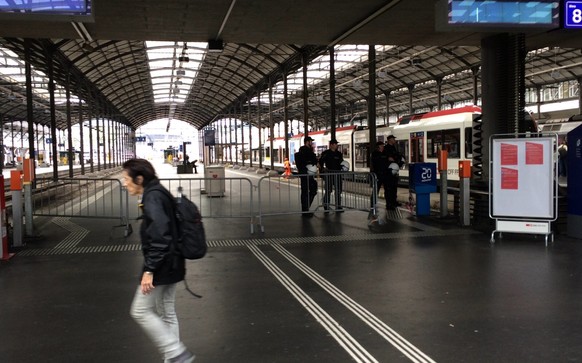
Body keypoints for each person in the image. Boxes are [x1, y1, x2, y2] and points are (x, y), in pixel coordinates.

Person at [122, 158, 195, 363]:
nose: (124, 183)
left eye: (126, 179)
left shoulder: (153, 197)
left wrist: (149, 270)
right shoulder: (157, 192)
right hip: (173, 262)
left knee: (139, 310)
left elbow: (161, 236)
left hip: (162, 265)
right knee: (167, 312)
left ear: (139, 178)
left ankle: (176, 352)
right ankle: (174, 358)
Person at [294, 136, 318, 217]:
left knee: (307, 191)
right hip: (307, 174)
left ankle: (305, 209)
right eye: (311, 141)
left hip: (306, 174)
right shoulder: (306, 152)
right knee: (309, 190)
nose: (312, 143)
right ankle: (305, 210)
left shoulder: (304, 152)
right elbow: (311, 161)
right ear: (307, 142)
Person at [318, 138, 344, 212]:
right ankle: (326, 205)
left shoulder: (339, 154)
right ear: (331, 145)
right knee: (328, 190)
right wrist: (322, 172)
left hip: (338, 174)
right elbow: (320, 163)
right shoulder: (326, 153)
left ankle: (338, 206)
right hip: (329, 175)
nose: (337, 145)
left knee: (338, 190)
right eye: (335, 144)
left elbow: (341, 163)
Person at [384, 135, 404, 209]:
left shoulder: (394, 147)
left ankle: (394, 202)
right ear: (389, 140)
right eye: (393, 139)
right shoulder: (386, 148)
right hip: (389, 171)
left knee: (394, 187)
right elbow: (389, 158)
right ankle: (389, 204)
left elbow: (395, 157)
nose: (394, 140)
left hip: (395, 170)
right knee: (389, 188)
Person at [370, 141, 390, 209]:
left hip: (385, 174)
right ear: (378, 146)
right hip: (378, 174)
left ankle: (388, 204)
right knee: (376, 189)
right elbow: (375, 162)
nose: (383, 146)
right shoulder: (375, 154)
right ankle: (373, 204)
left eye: (383, 145)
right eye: (381, 145)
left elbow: (387, 161)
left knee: (387, 189)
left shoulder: (385, 153)